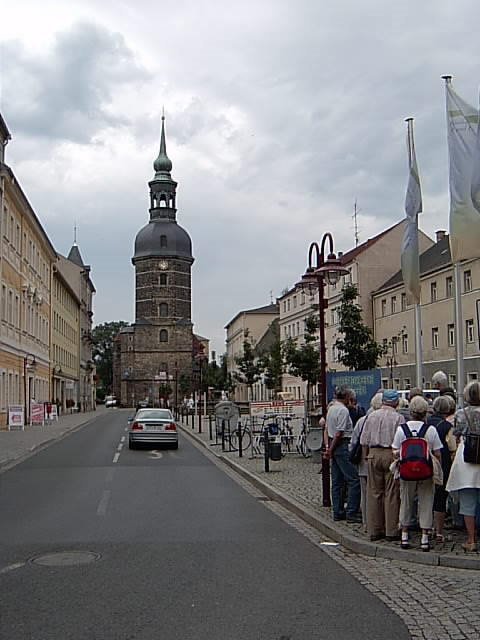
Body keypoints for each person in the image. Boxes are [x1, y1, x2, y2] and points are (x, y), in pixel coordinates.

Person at [392, 396, 443, 551]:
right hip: (426, 471)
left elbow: (395, 451)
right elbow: (438, 452)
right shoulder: (431, 430)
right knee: (426, 501)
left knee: (406, 500)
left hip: (407, 471)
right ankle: (425, 537)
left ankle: (405, 535)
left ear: (411, 411)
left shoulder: (402, 429)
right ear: (425, 412)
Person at [360, 389, 403, 541]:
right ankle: (391, 530)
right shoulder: (398, 418)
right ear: (396, 402)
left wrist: (367, 456)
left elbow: (363, 439)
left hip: (373, 453)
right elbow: (401, 440)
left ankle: (374, 530)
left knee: (374, 492)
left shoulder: (371, 416)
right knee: (391, 493)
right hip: (391, 454)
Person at [446, 381, 480, 552]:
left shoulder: (461, 414)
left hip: (466, 458)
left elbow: (457, 433)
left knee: (467, 502)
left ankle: (471, 539)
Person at [324, 386, 361, 523]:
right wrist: (331, 449)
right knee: (354, 480)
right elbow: (339, 433)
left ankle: (338, 511)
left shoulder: (331, 408)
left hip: (334, 444)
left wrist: (328, 447)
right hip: (342, 444)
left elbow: (328, 430)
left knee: (337, 481)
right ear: (346, 397)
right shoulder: (343, 410)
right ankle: (351, 511)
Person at [349, 392, 383, 530]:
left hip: (364, 463)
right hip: (379, 461)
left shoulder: (362, 420)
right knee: (381, 493)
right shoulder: (386, 419)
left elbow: (353, 442)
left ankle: (367, 523)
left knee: (365, 494)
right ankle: (380, 522)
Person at [427, 395, 457, 542]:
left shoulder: (425, 422)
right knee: (440, 497)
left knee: (426, 496)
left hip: (424, 462)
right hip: (441, 463)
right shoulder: (447, 426)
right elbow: (452, 447)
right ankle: (438, 531)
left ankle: (427, 529)